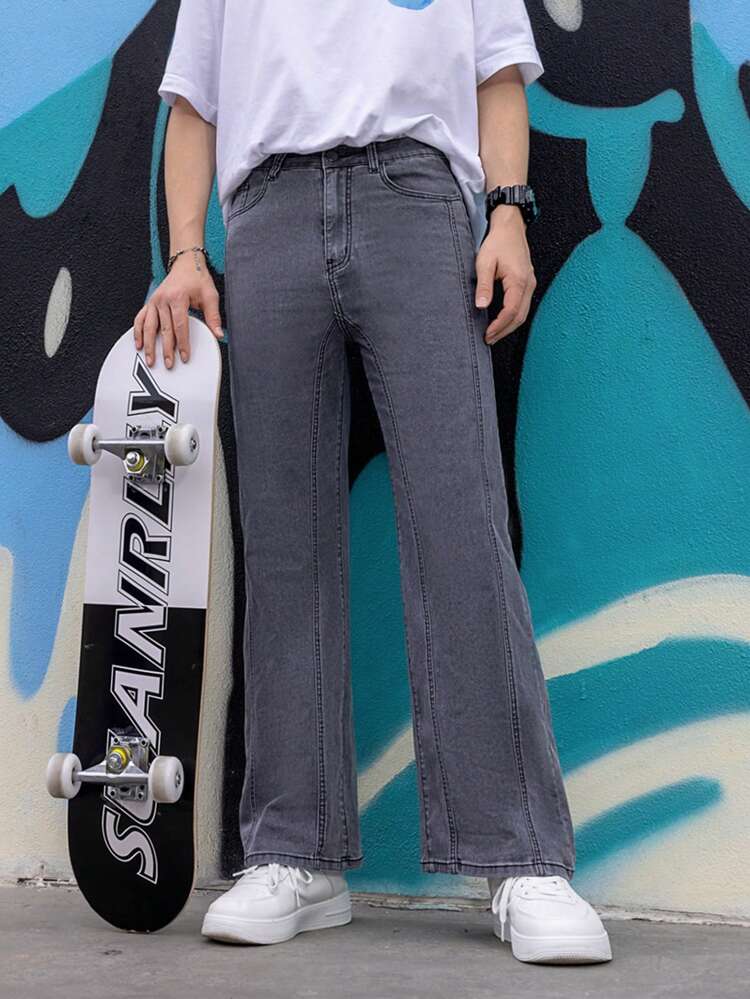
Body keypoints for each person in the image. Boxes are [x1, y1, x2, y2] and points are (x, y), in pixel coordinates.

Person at [138, 0, 612, 965]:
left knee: (460, 524)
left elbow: (497, 73)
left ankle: (521, 855)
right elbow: (192, 102)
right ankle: (294, 850)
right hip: (266, 211)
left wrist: (508, 214)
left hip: (418, 195)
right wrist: (187, 253)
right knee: (284, 545)